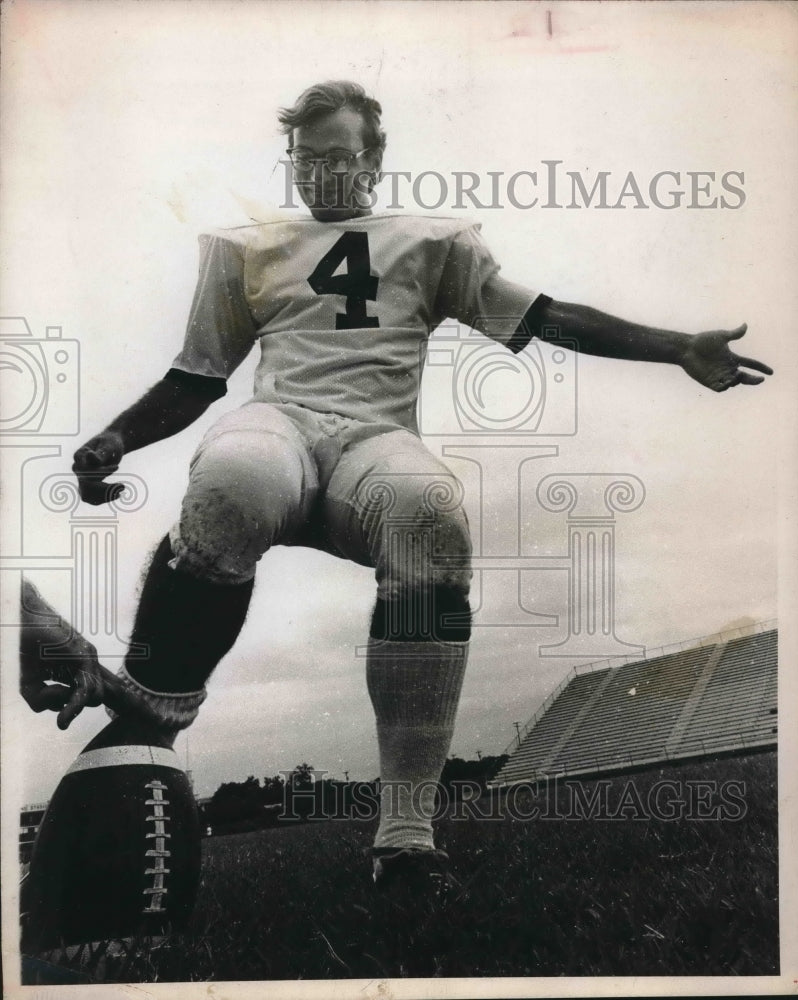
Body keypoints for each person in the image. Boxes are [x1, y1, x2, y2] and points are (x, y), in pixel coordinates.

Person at [65, 80, 771, 899]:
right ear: (288, 160)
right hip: (280, 422)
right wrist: (118, 437)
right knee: (235, 480)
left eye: (339, 156)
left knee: (429, 516)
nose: (322, 173)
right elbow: (197, 377)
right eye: (306, 157)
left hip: (375, 438)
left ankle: (405, 838)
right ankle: (156, 719)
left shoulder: (434, 240)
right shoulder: (244, 243)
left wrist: (678, 344)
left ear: (374, 159)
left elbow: (546, 317)